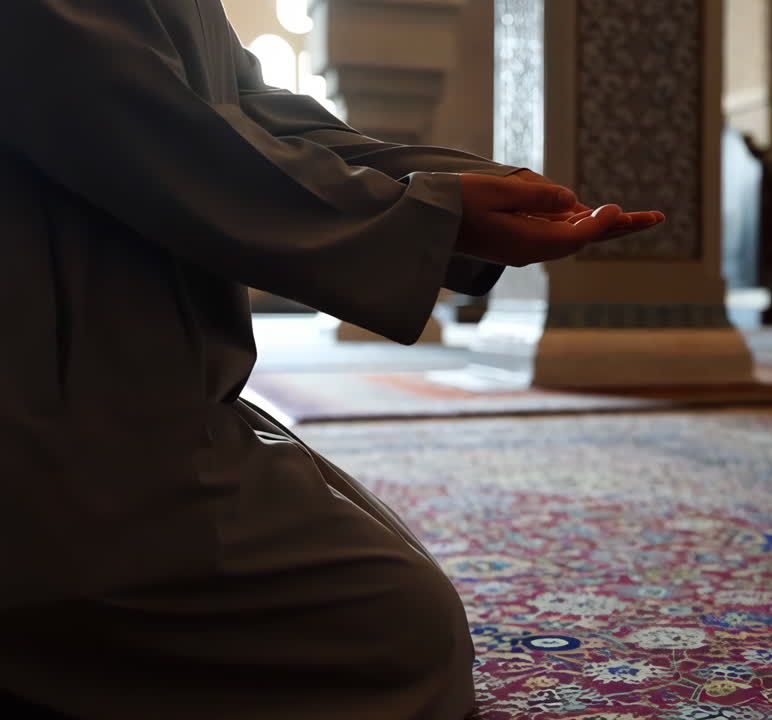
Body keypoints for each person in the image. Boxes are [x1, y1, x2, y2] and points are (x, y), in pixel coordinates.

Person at [0, 1, 663, 717]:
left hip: (137, 377)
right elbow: (149, 128)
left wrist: (469, 192)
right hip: (50, 405)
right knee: (403, 640)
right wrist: (432, 215)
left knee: (389, 573)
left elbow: (252, 113)